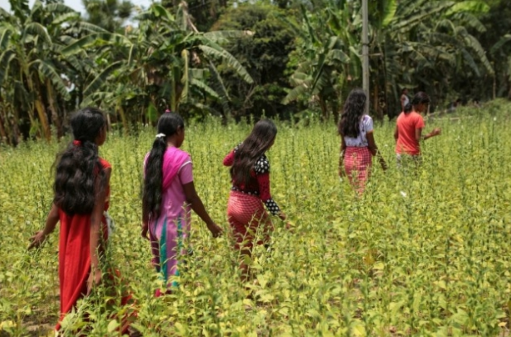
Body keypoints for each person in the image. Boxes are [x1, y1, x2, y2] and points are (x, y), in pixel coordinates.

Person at [28, 107, 133, 332]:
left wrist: (43, 234)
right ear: (98, 133)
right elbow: (95, 218)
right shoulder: (101, 168)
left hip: (69, 240)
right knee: (98, 293)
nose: (106, 131)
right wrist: (95, 264)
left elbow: (56, 209)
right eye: (105, 127)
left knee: (79, 295)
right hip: (91, 242)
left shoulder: (67, 163)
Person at [142, 111, 222, 295]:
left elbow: (147, 193)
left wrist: (144, 222)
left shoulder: (150, 157)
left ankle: (162, 313)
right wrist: (210, 223)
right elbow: (191, 197)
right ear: (178, 131)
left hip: (155, 224)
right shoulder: (182, 159)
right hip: (173, 226)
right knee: (174, 278)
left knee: (162, 271)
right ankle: (172, 318)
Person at [223, 119, 287, 281]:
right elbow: (265, 197)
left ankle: (243, 279)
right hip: (249, 207)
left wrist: (239, 150)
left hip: (233, 203)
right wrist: (282, 216)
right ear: (267, 140)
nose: (273, 143)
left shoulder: (240, 149)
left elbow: (226, 161)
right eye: (272, 139)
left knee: (242, 245)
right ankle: (267, 273)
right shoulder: (262, 162)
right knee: (267, 235)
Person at [338, 89, 387, 194]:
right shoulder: (366, 120)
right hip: (362, 158)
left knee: (355, 190)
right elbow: (372, 146)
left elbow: (343, 146)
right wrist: (382, 162)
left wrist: (340, 166)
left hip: (348, 158)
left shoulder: (343, 120)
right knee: (363, 193)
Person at [394, 92, 441, 165]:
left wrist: (400, 148)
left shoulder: (401, 115)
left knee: (402, 176)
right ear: (420, 103)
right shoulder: (417, 117)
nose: (425, 108)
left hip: (399, 154)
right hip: (412, 155)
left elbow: (395, 135)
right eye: (425, 105)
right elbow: (418, 138)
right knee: (415, 176)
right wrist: (432, 134)